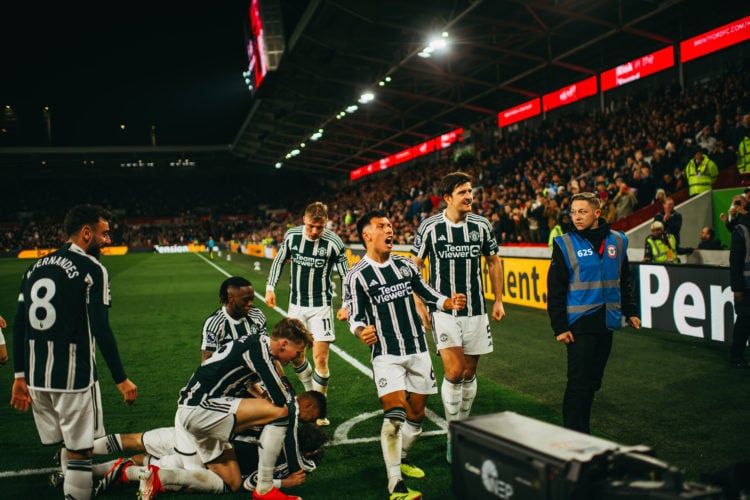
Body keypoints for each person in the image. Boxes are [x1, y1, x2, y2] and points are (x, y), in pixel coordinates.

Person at [10, 204, 138, 500]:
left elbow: (18, 325)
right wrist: (121, 378)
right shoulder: (92, 269)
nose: (108, 240)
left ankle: (69, 481)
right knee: (81, 450)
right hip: (74, 377)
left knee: (68, 444)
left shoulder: (33, 268)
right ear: (86, 233)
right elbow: (101, 329)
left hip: (36, 378)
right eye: (104, 234)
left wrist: (19, 376)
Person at [345, 210, 466, 500]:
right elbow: (354, 316)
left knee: (417, 415)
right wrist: (361, 331)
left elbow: (426, 292)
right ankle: (395, 483)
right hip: (386, 354)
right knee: (396, 415)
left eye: (390, 224)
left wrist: (447, 302)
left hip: (417, 349)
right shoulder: (356, 276)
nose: (389, 229)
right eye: (381, 226)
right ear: (366, 235)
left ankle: (403, 457)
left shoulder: (405, 266)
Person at [409, 171, 505, 464]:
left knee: (469, 373)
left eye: (470, 192)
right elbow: (415, 264)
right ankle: (454, 434)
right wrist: (419, 302)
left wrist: (498, 299)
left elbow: (493, 260)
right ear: (447, 198)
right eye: (462, 192)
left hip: (476, 310)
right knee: (453, 371)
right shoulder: (430, 227)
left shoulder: (481, 225)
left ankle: (463, 426)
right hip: (443, 311)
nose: (469, 197)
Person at [175, 317, 316, 500]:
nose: (297, 359)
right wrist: (296, 464)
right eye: (297, 353)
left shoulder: (257, 342)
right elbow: (283, 400)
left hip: (197, 409)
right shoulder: (259, 350)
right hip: (200, 409)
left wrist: (261, 393)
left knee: (231, 483)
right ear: (283, 344)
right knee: (282, 411)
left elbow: (242, 377)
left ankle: (135, 471)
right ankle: (264, 488)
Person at [84, 392, 327, 498]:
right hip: (211, 443)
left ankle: (77, 458)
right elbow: (247, 483)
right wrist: (286, 482)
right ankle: (130, 472)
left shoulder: (274, 405)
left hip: (193, 413)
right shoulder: (281, 445)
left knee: (139, 441)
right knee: (224, 484)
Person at [547, 192, 640, 434]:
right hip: (579, 325)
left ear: (597, 213)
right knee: (579, 384)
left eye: (582, 212)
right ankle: (575, 436)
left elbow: (624, 279)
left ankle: (581, 431)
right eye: (573, 212)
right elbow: (555, 289)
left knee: (592, 383)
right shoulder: (564, 243)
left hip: (607, 322)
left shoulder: (618, 241)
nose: (576, 217)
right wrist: (560, 327)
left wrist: (630, 311)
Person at [265, 201, 350, 426]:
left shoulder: (334, 242)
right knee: (296, 356)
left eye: (319, 227)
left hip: (321, 305)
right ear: (304, 220)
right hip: (296, 306)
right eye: (312, 226)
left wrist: (347, 302)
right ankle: (310, 393)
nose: (315, 231)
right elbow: (279, 260)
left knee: (320, 358)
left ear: (325, 225)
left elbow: (346, 275)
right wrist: (270, 287)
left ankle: (318, 408)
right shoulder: (292, 236)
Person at [201, 276, 267, 363]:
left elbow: (267, 352)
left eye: (252, 299)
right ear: (230, 298)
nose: (250, 303)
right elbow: (207, 364)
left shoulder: (257, 316)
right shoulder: (215, 324)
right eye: (246, 300)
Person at [729, 209, 750, 368]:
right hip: (746, 285)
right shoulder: (741, 229)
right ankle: (736, 357)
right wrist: (737, 288)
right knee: (744, 320)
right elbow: (735, 262)